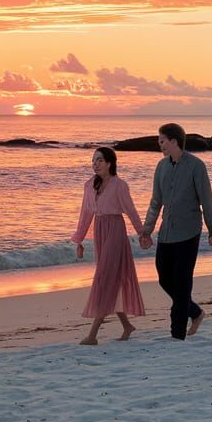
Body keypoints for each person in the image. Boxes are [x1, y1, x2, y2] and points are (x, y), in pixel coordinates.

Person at [138, 122, 212, 339]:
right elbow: (156, 202)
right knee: (165, 279)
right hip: (166, 233)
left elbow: (206, 200)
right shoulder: (161, 166)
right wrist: (147, 230)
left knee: (182, 282)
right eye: (159, 141)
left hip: (189, 232)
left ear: (174, 141)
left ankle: (177, 334)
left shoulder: (196, 166)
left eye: (162, 140)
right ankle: (195, 312)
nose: (160, 144)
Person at [71, 146, 146, 344]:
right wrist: (79, 240)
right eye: (93, 160)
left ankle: (92, 335)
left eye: (100, 160)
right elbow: (85, 214)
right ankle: (127, 326)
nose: (95, 164)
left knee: (104, 279)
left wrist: (142, 233)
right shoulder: (89, 185)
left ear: (110, 163)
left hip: (115, 230)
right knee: (110, 280)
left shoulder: (119, 185)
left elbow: (131, 211)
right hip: (100, 230)